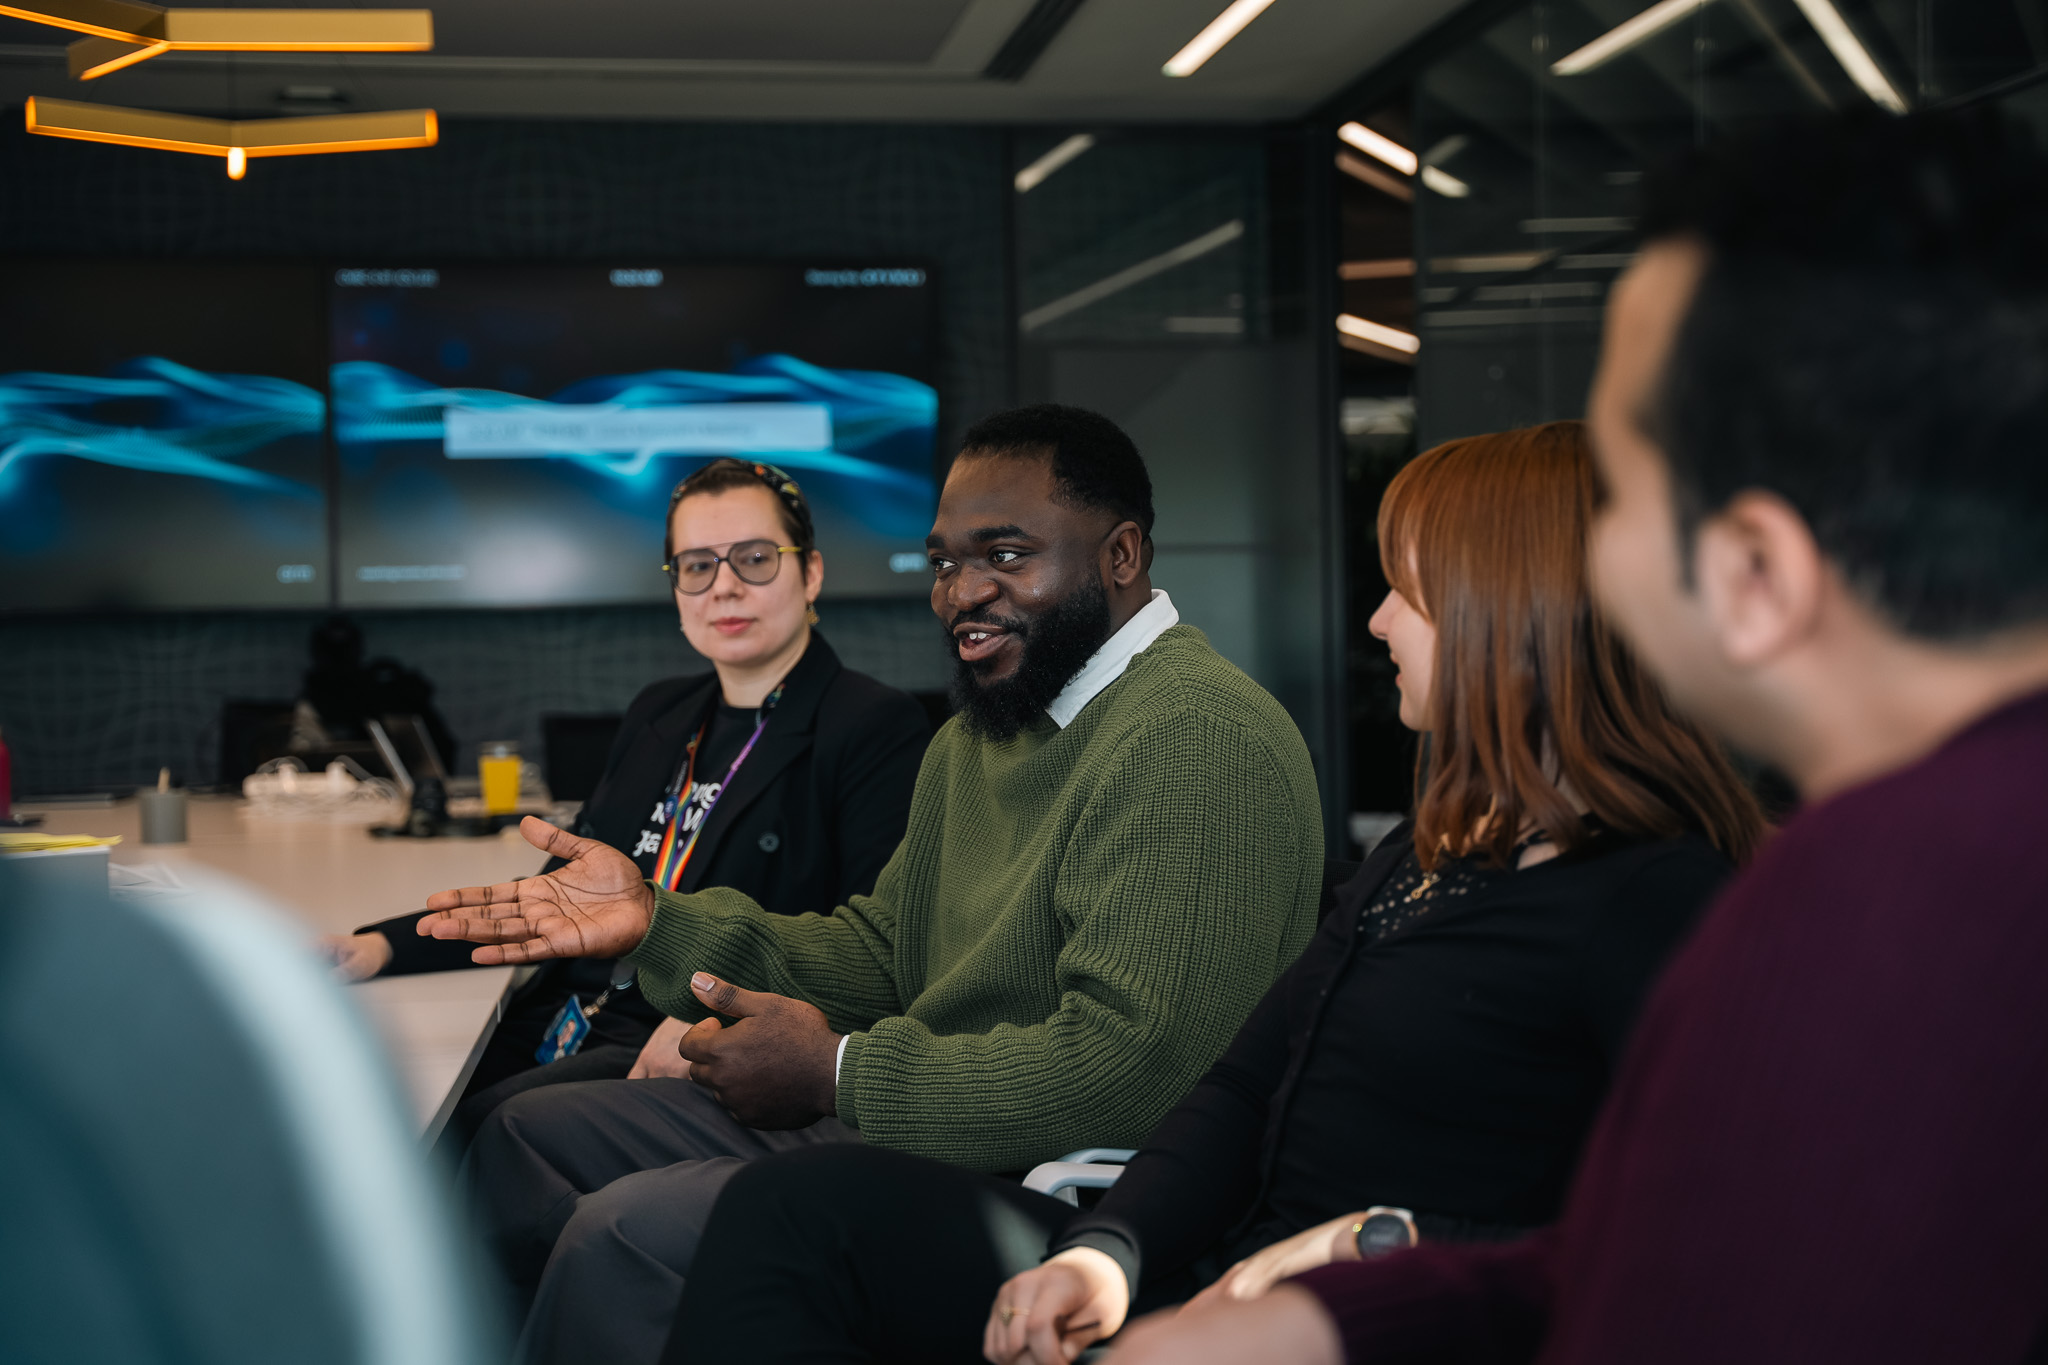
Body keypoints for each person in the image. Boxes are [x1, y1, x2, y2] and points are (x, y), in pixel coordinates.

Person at [1100, 108, 2048, 1365]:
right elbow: (1671, 1252)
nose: (1593, 557)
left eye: (1627, 490)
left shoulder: (1880, 908)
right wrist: (1335, 1312)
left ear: (1753, 572)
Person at [657, 421, 1767, 1365]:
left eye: (1410, 591)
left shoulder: (1652, 900)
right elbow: (1241, 1087)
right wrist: (1110, 1256)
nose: (1377, 621)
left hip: (1343, 1313)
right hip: (1215, 1259)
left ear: (1524, 612)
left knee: (780, 1216)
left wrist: (1374, 1249)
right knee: (784, 1215)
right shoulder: (1423, 854)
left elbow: (1686, 1236)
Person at [418, 404, 1327, 1365]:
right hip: (921, 1119)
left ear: (1122, 554)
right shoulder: (981, 734)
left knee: (629, 1232)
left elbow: (1128, 1074)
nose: (961, 593)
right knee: (521, 1136)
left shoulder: (1198, 738)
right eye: (943, 563)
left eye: (1006, 555)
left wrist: (841, 1071)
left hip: (1060, 1192)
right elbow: (886, 949)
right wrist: (657, 922)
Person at [323, 458, 929, 1153]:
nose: (724, 586)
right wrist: (381, 944)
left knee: (461, 1141)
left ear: (811, 572)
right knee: (385, 1113)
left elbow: (874, 947)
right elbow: (559, 895)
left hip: (674, 1037)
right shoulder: (660, 712)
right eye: (697, 566)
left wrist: (722, 1019)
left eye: (756, 558)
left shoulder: (873, 725)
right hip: (570, 1009)